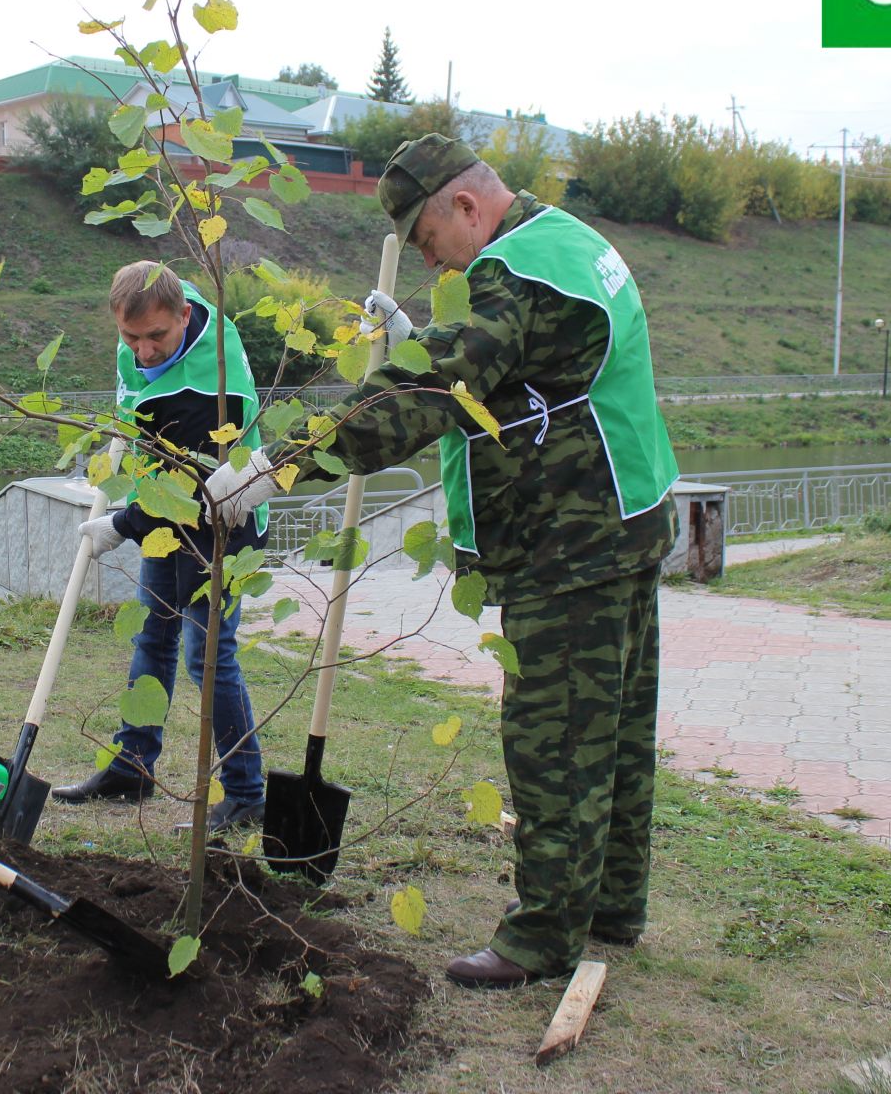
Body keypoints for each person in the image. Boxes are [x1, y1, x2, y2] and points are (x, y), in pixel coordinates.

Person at [204, 135, 680, 988]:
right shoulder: (563, 238)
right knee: (613, 731)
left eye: (429, 243)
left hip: (570, 540)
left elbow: (430, 392)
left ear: (466, 207)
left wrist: (275, 463)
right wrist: (428, 334)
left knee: (556, 744)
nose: (431, 261)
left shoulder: (511, 272)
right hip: (628, 515)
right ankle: (609, 902)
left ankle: (541, 938)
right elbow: (521, 360)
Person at [57, 261, 269, 833]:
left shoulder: (208, 386)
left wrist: (120, 524)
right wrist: (121, 443)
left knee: (209, 656)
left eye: (157, 337)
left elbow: (187, 492)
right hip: (163, 509)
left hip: (220, 520)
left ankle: (247, 792)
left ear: (184, 316)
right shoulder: (160, 306)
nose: (144, 352)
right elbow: (135, 399)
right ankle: (133, 766)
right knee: (153, 638)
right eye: (131, 338)